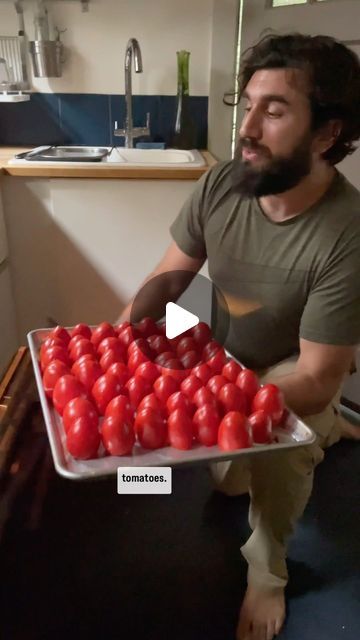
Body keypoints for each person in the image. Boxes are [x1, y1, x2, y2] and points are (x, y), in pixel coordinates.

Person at [118, 34, 360, 640]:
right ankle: (328, 427)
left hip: (292, 367)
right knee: (224, 481)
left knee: (279, 455)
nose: (247, 128)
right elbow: (168, 280)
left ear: (328, 134)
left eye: (274, 111)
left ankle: (268, 572)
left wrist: (205, 407)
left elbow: (315, 377)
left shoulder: (347, 235)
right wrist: (122, 355)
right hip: (225, 356)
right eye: (245, 105)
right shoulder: (223, 183)